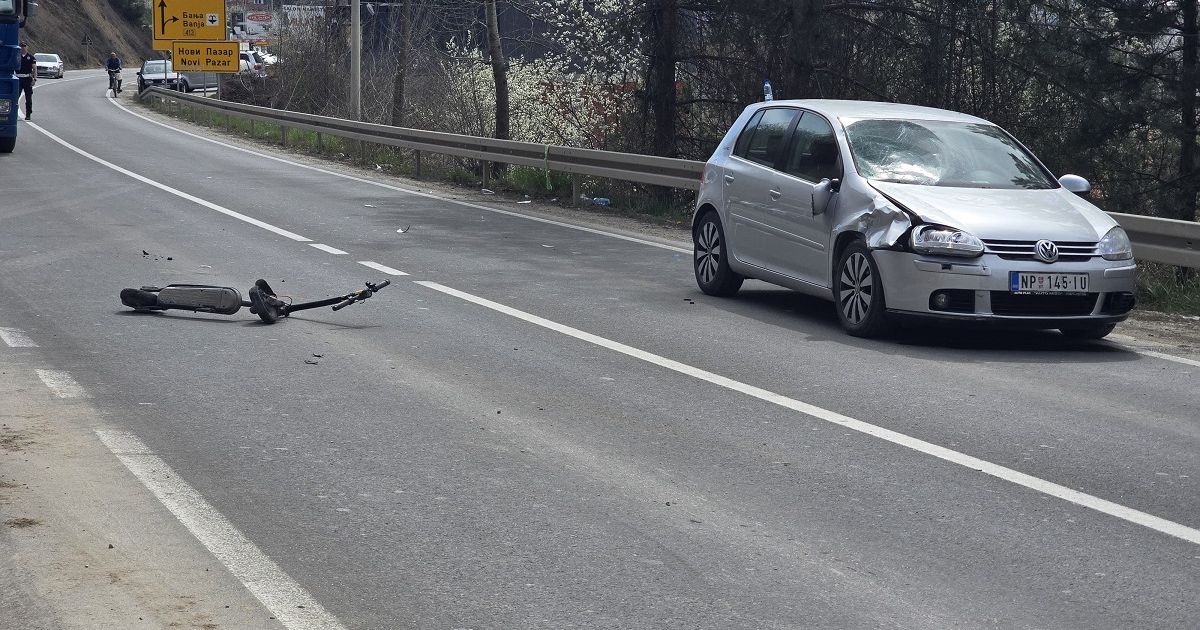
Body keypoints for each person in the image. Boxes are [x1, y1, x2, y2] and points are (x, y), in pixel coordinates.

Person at [16, 42, 35, 120]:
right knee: (16, 97)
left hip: (27, 79)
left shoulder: (31, 57)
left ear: (27, 47)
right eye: (21, 46)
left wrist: (34, 78)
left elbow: (34, 68)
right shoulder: (17, 56)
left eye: (24, 46)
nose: (23, 48)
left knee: (28, 97)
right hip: (18, 79)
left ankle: (28, 114)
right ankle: (15, 113)